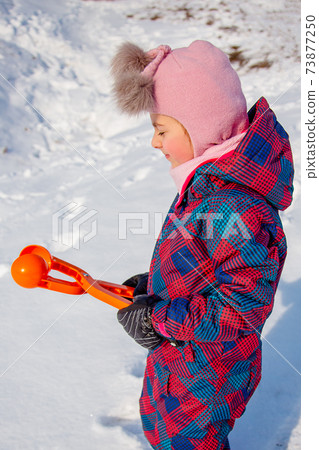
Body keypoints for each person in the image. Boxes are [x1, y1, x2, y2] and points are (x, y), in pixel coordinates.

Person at [111, 40, 294, 450]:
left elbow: (243, 306)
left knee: (191, 442)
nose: (155, 143)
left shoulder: (234, 204)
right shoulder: (207, 187)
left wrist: (162, 318)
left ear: (201, 128)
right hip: (186, 358)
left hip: (209, 370)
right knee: (168, 433)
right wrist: (154, 288)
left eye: (162, 130)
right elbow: (202, 264)